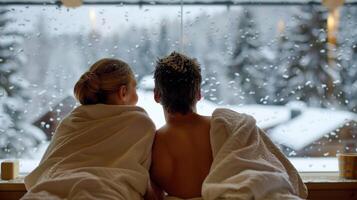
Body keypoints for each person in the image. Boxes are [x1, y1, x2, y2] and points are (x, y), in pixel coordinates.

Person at [149, 52, 307, 200]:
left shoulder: (152, 146)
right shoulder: (228, 127)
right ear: (198, 94)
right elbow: (265, 168)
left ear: (157, 95)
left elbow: (151, 193)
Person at [23, 58, 156, 200]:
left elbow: (45, 168)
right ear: (123, 92)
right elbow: (148, 177)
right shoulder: (140, 124)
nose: (137, 95)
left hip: (45, 192)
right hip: (105, 193)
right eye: (134, 88)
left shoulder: (71, 121)